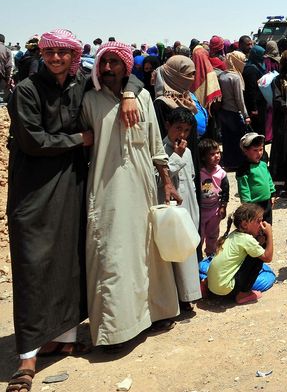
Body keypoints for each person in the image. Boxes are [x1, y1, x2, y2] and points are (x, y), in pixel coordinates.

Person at [6, 30, 142, 389]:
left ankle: (63, 339)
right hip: (33, 187)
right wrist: (78, 139)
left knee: (70, 258)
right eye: (49, 52)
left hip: (72, 182)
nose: (55, 58)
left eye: (62, 53)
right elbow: (32, 140)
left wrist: (130, 93)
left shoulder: (80, 82)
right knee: (33, 265)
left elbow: (129, 74)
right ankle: (27, 356)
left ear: (73, 55)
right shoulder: (27, 90)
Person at [80, 42, 181, 351]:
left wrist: (167, 181)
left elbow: (154, 143)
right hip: (106, 189)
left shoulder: (142, 97)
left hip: (142, 185)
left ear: (125, 66)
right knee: (112, 253)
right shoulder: (89, 101)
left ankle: (156, 313)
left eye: (115, 62)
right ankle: (116, 330)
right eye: (104, 62)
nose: (108, 68)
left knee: (147, 249)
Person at [161, 107, 202, 309]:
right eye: (178, 128)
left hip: (190, 208)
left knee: (189, 250)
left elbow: (191, 180)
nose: (182, 134)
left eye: (186, 130)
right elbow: (158, 179)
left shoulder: (188, 152)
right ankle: (178, 299)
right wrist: (176, 156)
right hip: (173, 212)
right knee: (174, 254)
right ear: (168, 126)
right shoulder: (161, 152)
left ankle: (189, 295)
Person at [206, 203, 273, 305]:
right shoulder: (246, 239)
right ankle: (243, 294)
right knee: (257, 258)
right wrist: (269, 234)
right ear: (245, 224)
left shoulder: (234, 234)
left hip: (213, 288)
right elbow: (268, 258)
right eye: (258, 221)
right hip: (227, 290)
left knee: (255, 251)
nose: (261, 224)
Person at [270, 50, 287, 196]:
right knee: (281, 150)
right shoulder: (278, 80)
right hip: (283, 119)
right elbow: (277, 99)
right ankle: (280, 183)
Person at [198, 138, 230, 258]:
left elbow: (225, 191)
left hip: (214, 210)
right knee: (199, 235)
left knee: (213, 234)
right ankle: (198, 256)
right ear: (203, 157)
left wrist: (223, 206)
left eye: (218, 153)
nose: (217, 156)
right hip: (200, 211)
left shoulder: (221, 173)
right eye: (212, 154)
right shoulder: (199, 172)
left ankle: (210, 255)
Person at [236, 132, 276, 224]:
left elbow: (269, 180)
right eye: (255, 150)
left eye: (261, 149)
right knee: (255, 227)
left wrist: (272, 194)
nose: (259, 153)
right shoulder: (244, 169)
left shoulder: (263, 165)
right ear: (245, 151)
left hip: (267, 203)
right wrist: (247, 205)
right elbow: (243, 189)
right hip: (254, 206)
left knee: (267, 226)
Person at [0, 33, 12, 104]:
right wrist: (8, 79)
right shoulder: (7, 50)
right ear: (4, 41)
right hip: (1, 77)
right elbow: (8, 66)